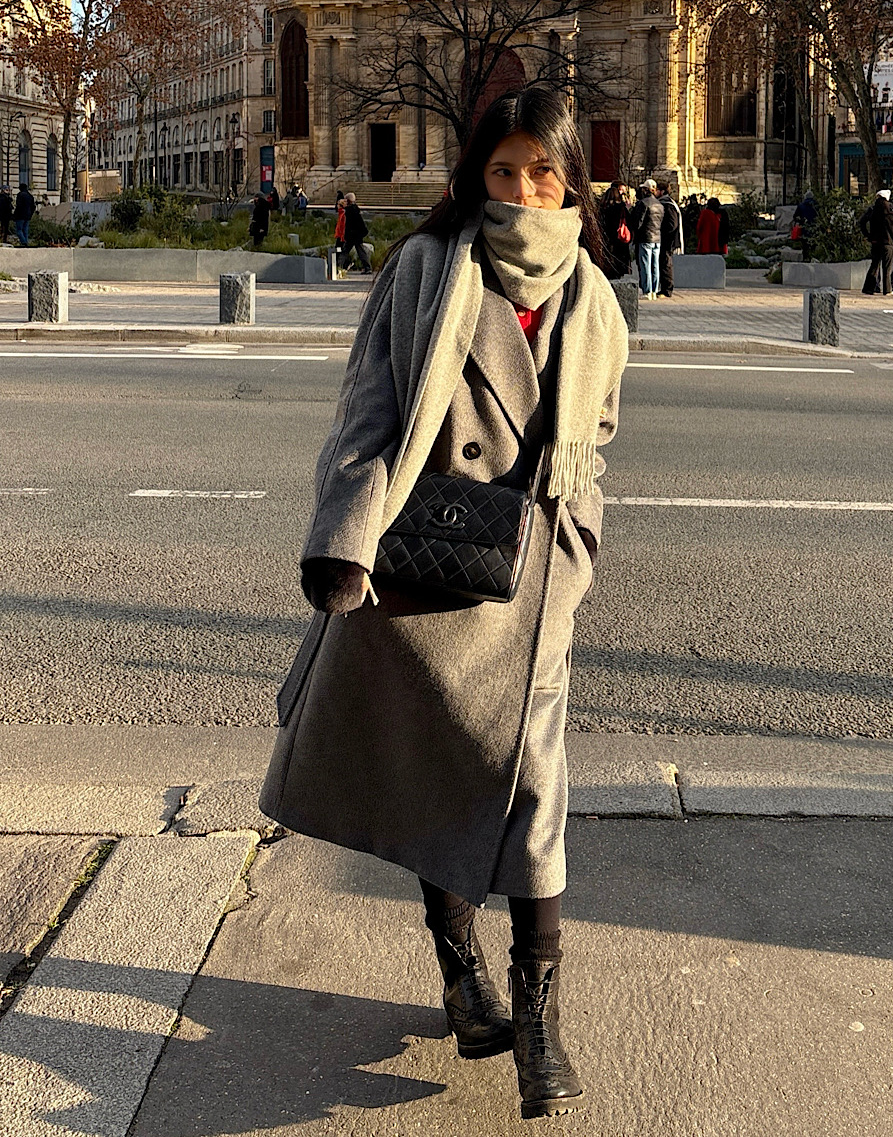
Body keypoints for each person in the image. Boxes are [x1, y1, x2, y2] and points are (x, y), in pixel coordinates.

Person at [261, 84, 627, 1122]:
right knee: (438, 777)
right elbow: (367, 411)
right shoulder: (425, 266)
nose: (522, 191)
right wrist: (343, 543)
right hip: (423, 569)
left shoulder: (595, 296)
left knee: (534, 790)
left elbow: (599, 429)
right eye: (503, 171)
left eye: (542, 172)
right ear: (475, 175)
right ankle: (462, 969)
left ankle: (538, 1018)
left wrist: (574, 535)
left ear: (571, 180)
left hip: (528, 579)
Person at [859, 187, 893, 296]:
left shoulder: (873, 209)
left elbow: (862, 222)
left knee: (874, 265)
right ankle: (888, 289)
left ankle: (868, 288)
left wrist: (868, 235)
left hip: (875, 241)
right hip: (888, 241)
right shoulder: (892, 208)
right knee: (888, 266)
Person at [633, 179, 664, 299]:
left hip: (645, 237)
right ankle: (654, 291)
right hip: (657, 238)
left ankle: (647, 290)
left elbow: (638, 222)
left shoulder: (643, 203)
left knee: (645, 265)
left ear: (646, 189)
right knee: (655, 265)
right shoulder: (659, 204)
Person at [597, 181, 635, 279]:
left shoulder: (602, 208)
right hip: (619, 239)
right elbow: (629, 222)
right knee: (620, 260)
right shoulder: (621, 208)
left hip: (606, 238)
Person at [657, 181, 683, 299]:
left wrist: (662, 231)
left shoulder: (667, 204)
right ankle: (664, 288)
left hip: (667, 239)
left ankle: (667, 289)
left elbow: (672, 224)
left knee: (665, 263)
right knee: (664, 263)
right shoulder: (668, 202)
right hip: (667, 239)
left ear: (662, 191)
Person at [340, 192, 371, 274]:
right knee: (361, 251)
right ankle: (367, 267)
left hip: (352, 235)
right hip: (357, 235)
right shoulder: (356, 210)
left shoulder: (349, 211)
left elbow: (349, 225)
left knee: (345, 251)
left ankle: (338, 266)